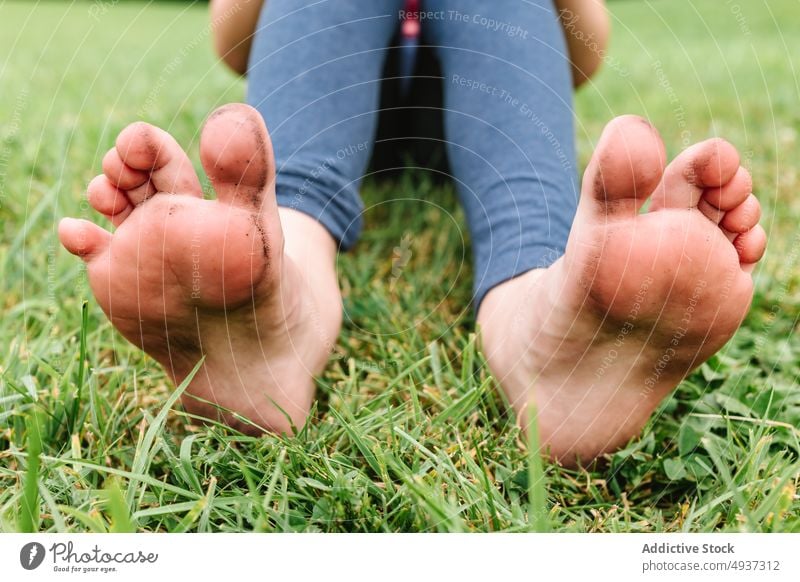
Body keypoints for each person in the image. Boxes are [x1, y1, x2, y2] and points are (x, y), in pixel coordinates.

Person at [59, 0, 765, 467]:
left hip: (468, 105)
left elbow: (586, 53)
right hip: (337, 106)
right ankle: (280, 292)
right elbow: (234, 38)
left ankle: (540, 319)